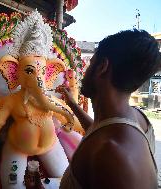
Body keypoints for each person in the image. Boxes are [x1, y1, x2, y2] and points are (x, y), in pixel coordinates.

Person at [56, 29, 160, 189]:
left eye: (90, 63)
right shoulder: (136, 119)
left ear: (102, 67)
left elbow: (105, 144)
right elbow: (100, 130)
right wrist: (72, 105)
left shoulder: (111, 155)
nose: (85, 71)